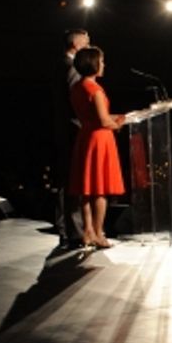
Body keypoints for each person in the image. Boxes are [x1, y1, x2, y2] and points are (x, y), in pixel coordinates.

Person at [69, 46, 126, 248]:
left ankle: (87, 232)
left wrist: (115, 119)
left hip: (85, 137)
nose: (104, 65)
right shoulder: (95, 89)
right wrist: (120, 122)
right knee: (100, 190)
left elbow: (92, 117)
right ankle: (99, 234)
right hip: (100, 140)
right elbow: (103, 121)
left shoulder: (77, 87)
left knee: (86, 189)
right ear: (93, 64)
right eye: (101, 61)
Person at [53, 28, 88, 248]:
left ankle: (65, 229)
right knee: (73, 180)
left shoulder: (59, 63)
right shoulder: (71, 66)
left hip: (62, 128)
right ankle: (74, 232)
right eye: (87, 41)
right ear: (76, 44)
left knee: (64, 181)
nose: (89, 45)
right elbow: (77, 100)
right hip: (73, 128)